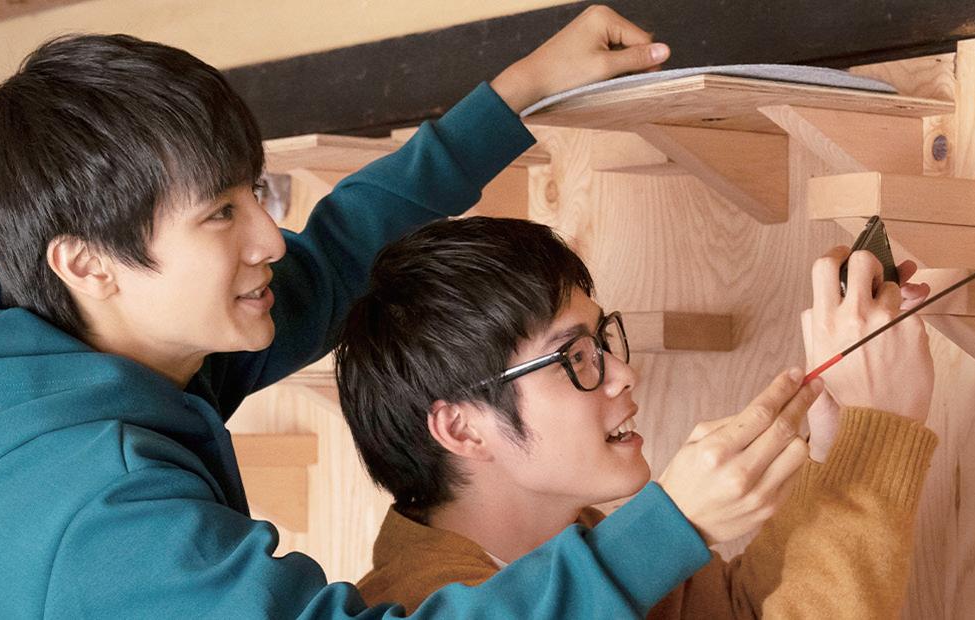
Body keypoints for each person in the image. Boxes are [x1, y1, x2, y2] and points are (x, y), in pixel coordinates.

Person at [0, 7, 812, 617]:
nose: (269, 240)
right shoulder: (103, 514)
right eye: (220, 215)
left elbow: (337, 255)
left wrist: (518, 92)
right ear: (87, 262)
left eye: (254, 193)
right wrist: (669, 524)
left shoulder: (86, 361)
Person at [336, 217, 941, 618]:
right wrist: (878, 437)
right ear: (462, 428)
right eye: (574, 358)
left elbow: (740, 612)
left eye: (602, 339)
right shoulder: (416, 604)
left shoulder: (587, 543)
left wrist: (843, 438)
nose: (623, 373)